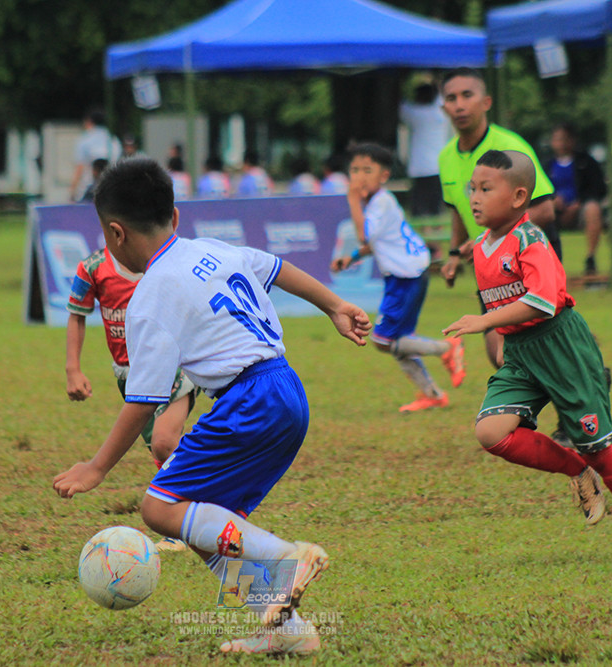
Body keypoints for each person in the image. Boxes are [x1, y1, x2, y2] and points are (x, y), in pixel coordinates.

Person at [53, 157, 373, 655]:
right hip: (287, 389)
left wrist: (96, 468)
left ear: (115, 234)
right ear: (175, 217)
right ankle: (284, 630)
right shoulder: (212, 249)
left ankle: (287, 557)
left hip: (248, 399)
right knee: (208, 524)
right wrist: (335, 305)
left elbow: (142, 401)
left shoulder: (149, 298)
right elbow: (277, 268)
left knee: (159, 509)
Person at [442, 149, 612, 564]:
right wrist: (496, 331)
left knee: (599, 450)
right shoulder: (481, 246)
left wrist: (485, 321)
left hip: (561, 347)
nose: (474, 197)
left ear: (517, 198)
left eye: (485, 189)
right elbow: (500, 300)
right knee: (491, 433)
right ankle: (575, 471)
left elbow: (543, 301)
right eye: (471, 189)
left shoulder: (531, 240)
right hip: (521, 352)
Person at [65, 242, 199, 552]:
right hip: (131, 377)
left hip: (174, 365)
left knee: (166, 441)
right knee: (161, 449)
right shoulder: (92, 268)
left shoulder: (164, 263)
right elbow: (76, 316)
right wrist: (73, 369)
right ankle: (190, 513)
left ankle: (195, 514)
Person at [437, 67, 560, 369]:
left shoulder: (511, 148)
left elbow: (544, 210)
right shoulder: (445, 157)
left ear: (486, 102)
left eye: (468, 95)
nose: (460, 104)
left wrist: (491, 239)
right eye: (451, 98)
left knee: (547, 342)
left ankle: (586, 368)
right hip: (489, 261)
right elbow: (456, 208)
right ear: (443, 108)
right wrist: (454, 253)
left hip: (531, 252)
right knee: (500, 354)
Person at [330, 143, 465, 412]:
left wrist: (352, 199)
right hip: (406, 275)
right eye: (355, 170)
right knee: (398, 342)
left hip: (407, 277)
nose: (359, 176)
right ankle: (433, 394)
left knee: (383, 340)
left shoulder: (380, 203)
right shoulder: (379, 204)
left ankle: (446, 348)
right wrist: (352, 258)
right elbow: (374, 243)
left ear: (384, 176)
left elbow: (365, 236)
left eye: (367, 170)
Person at [541, 123, 608, 275]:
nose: (561, 144)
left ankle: (590, 257)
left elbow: (599, 188)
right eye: (557, 139)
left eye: (565, 139)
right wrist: (553, 200)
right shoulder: (546, 165)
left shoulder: (586, 162)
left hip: (580, 211)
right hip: (554, 212)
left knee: (592, 209)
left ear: (572, 140)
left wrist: (579, 203)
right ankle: (544, 264)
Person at [399, 81, 452, 217]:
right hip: (438, 167)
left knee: (420, 208)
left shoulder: (415, 114)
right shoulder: (441, 113)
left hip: (419, 169)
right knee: (436, 208)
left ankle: (424, 232)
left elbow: (401, 105)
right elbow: (442, 96)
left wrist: (402, 80)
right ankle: (436, 233)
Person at [69, 109, 117, 202]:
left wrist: (72, 191)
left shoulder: (84, 140)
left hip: (87, 189)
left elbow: (80, 167)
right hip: (111, 188)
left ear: (89, 121)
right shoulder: (113, 140)